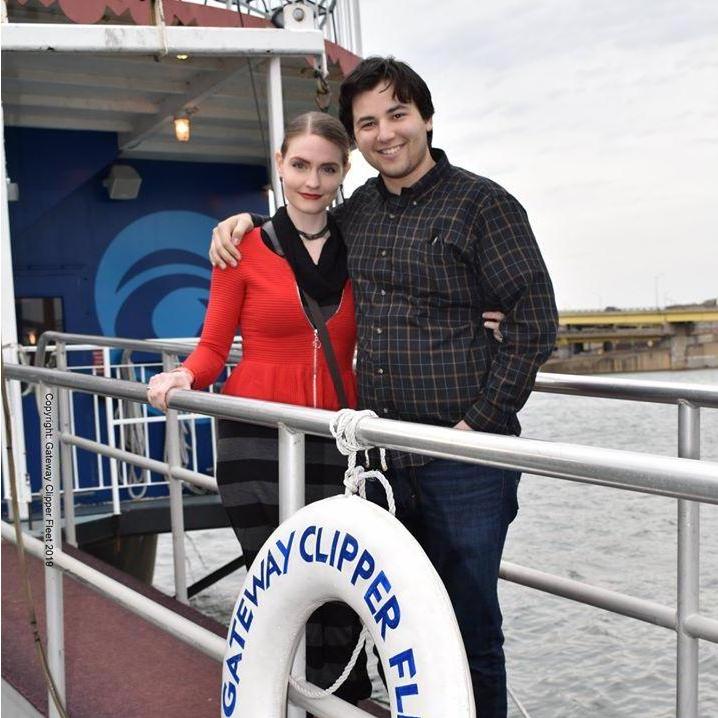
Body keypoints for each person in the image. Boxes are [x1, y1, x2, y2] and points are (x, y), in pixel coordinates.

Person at [209, 57, 558, 717]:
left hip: (465, 458)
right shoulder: (358, 214)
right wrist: (238, 228)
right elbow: (297, 235)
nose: (385, 133)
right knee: (401, 625)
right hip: (380, 457)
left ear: (425, 117)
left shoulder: (483, 204)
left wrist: (479, 421)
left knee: (468, 625)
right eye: (367, 123)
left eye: (397, 115)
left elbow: (537, 321)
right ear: (356, 139)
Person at [147, 111, 373, 704]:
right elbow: (216, 342)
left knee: (342, 591)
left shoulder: (363, 245)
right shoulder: (243, 245)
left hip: (337, 440)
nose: (312, 181)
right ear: (279, 163)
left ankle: (337, 703)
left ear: (344, 172)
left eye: (327, 168)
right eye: (300, 165)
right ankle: (271, 701)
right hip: (253, 437)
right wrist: (188, 375)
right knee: (279, 586)